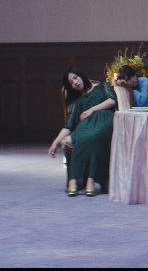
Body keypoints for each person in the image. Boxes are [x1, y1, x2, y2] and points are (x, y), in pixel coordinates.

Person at [48, 67, 117, 197]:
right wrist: (55, 142)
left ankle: (91, 180)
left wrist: (91, 110)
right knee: (81, 137)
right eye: (71, 82)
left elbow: (112, 101)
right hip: (86, 126)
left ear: (81, 75)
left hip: (105, 120)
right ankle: (74, 181)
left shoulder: (103, 86)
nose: (75, 82)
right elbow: (68, 126)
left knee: (94, 135)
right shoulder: (77, 103)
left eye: (75, 78)